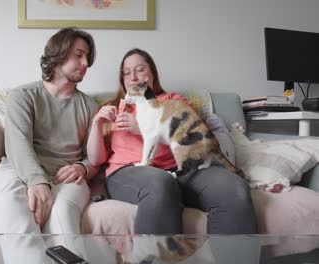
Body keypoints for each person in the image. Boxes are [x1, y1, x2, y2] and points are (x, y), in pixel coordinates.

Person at [87, 48, 258, 261]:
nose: (133, 77)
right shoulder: (112, 107)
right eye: (126, 72)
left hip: (184, 169)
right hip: (130, 172)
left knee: (233, 186)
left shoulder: (172, 100)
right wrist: (97, 124)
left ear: (152, 75)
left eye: (140, 70)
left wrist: (143, 128)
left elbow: (196, 137)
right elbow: (95, 160)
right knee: (160, 183)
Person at [0, 27, 98, 263]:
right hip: (18, 169)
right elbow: (17, 143)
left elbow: (94, 157)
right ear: (58, 54)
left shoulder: (89, 106)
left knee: (63, 215)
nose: (85, 63)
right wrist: (37, 182)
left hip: (66, 177)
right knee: (10, 204)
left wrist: (83, 168)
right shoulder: (23, 95)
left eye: (87, 57)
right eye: (78, 55)